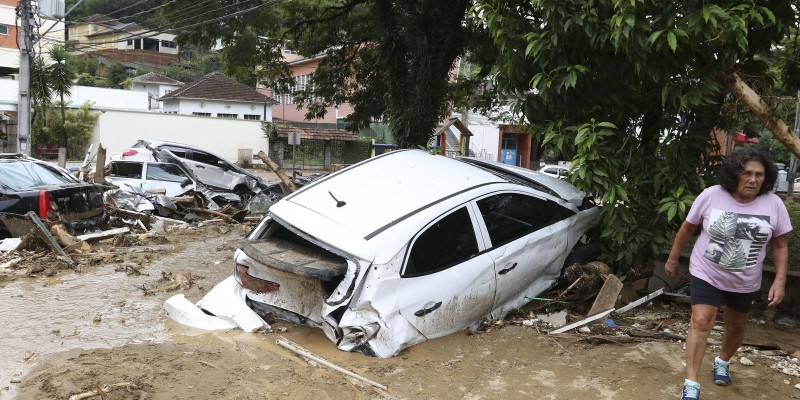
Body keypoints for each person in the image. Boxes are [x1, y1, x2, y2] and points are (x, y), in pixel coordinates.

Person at [665, 148, 791, 400]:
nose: (753, 179)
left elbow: (780, 244)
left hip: (745, 279)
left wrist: (779, 279)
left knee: (736, 327)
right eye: (747, 173)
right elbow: (687, 228)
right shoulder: (711, 195)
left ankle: (722, 360)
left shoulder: (774, 204)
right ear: (735, 174)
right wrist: (672, 257)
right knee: (701, 321)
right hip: (706, 271)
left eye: (759, 174)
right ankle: (691, 382)